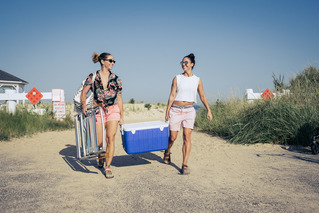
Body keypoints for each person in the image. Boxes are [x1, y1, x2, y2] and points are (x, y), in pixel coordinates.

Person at [164, 53, 212, 175]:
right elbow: (172, 95)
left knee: (187, 136)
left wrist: (208, 110)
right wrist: (167, 111)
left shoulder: (197, 80)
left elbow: (202, 96)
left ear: (192, 64)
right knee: (173, 137)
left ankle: (184, 164)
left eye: (186, 63)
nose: (183, 65)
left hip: (189, 110)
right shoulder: (177, 78)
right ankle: (167, 151)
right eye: (182, 63)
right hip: (175, 110)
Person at [81, 52, 123, 179]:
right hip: (98, 110)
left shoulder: (117, 79)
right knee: (100, 142)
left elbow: (120, 98)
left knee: (111, 138)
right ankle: (101, 155)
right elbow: (84, 93)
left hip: (113, 109)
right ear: (102, 61)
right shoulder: (92, 77)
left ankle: (108, 166)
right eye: (110, 61)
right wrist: (84, 105)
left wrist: (121, 116)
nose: (112, 63)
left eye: (113, 61)